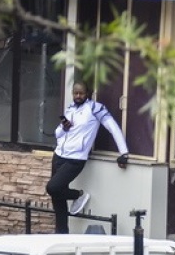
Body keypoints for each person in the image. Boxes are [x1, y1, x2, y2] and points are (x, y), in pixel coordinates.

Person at [46, 82, 129, 234]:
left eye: (81, 93)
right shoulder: (70, 108)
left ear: (88, 93)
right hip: (59, 155)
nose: (78, 96)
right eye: (75, 93)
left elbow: (113, 127)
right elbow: (57, 133)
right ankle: (61, 234)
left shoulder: (95, 108)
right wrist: (64, 128)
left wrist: (123, 152)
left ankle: (78, 195)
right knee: (57, 198)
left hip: (76, 158)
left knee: (52, 187)